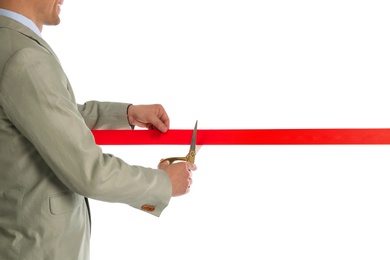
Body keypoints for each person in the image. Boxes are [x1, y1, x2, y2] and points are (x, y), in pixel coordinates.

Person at [0, 0, 196, 259]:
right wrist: (164, 183)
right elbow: (89, 173)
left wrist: (125, 114)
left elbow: (47, 116)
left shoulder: (9, 44)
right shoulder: (24, 58)